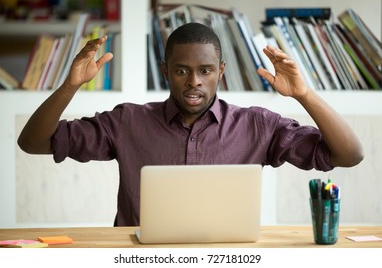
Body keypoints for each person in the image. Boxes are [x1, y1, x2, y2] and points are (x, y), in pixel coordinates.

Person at [18, 22, 364, 226]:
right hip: (140, 260)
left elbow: (349, 155)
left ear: (221, 72)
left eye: (205, 71)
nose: (194, 81)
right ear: (166, 71)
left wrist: (304, 95)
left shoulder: (257, 125)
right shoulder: (128, 121)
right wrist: (70, 85)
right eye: (182, 70)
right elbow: (33, 142)